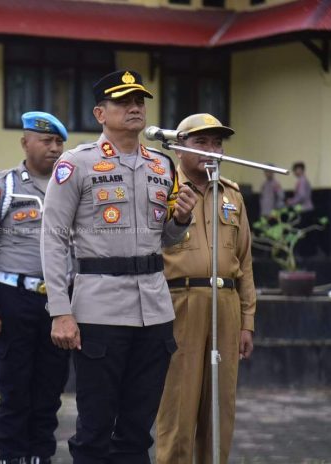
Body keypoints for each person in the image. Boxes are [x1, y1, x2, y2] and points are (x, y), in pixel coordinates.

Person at [41, 70, 197, 464]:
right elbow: (53, 238)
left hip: (154, 310)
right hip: (100, 311)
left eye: (139, 101)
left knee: (136, 431)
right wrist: (60, 311)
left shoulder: (162, 166)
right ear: (100, 113)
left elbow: (166, 239)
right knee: (94, 430)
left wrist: (181, 219)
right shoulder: (76, 164)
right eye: (123, 101)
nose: (134, 108)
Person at [0, 111, 71, 464]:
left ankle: (41, 456)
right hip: (14, 299)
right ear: (25, 142)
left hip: (58, 302)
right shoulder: (3, 185)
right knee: (14, 387)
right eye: (46, 141)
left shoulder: (70, 185)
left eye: (58, 142)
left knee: (50, 388)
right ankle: (12, 457)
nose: (54, 148)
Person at [155, 113, 256, 464]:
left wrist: (247, 322)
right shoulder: (163, 189)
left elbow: (245, 263)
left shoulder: (232, 194)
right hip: (180, 304)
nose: (212, 150)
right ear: (179, 148)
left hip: (225, 305)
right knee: (178, 405)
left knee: (220, 407)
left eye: (217, 143)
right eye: (201, 142)